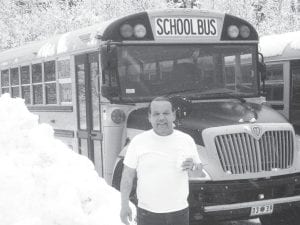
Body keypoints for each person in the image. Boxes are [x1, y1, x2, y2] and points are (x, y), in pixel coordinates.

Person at [120, 96, 203, 225]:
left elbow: (198, 172)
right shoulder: (138, 141)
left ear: (173, 115)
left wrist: (192, 167)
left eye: (166, 113)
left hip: (178, 213)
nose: (161, 118)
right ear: (149, 117)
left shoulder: (186, 140)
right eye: (156, 114)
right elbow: (127, 176)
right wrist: (124, 205)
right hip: (147, 214)